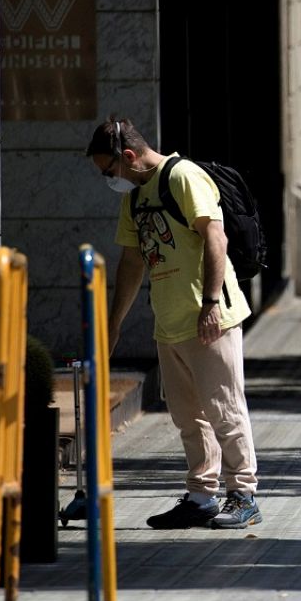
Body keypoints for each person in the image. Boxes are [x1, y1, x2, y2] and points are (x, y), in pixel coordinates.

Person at [86, 117, 262, 530]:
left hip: (210, 317)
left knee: (224, 408)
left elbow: (215, 237)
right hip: (169, 322)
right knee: (188, 416)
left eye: (109, 171)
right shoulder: (135, 198)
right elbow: (132, 261)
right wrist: (113, 324)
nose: (109, 179)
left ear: (129, 156)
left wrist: (210, 303)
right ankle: (201, 495)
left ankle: (243, 494)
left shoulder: (183, 177)